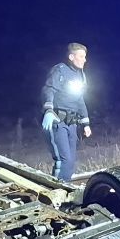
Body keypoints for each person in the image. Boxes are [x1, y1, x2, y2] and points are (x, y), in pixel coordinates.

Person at [41, 43, 93, 180]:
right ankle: (54, 195)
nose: (84, 59)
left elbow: (80, 99)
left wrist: (86, 123)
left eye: (85, 56)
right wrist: (48, 110)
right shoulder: (60, 70)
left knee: (70, 162)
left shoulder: (81, 75)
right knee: (63, 161)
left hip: (72, 124)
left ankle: (65, 191)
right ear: (71, 57)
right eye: (81, 56)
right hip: (57, 122)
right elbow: (49, 89)